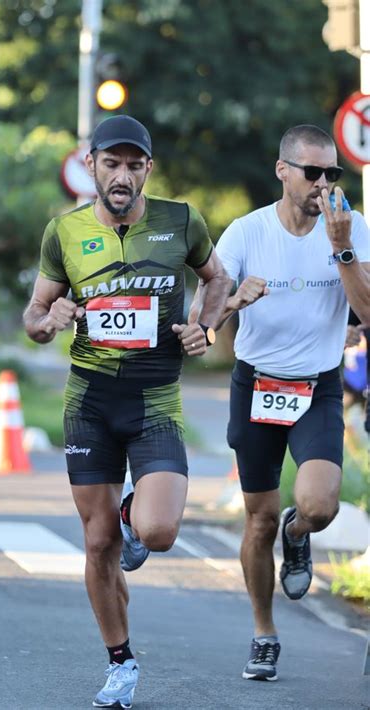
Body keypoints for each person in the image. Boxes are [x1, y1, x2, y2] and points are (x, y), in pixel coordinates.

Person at [23, 114, 230, 708]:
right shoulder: (62, 232)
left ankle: (132, 514)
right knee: (96, 546)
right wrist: (49, 322)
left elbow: (215, 279)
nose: (122, 175)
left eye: (133, 165)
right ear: (91, 166)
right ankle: (121, 664)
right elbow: (35, 314)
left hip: (155, 397)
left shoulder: (181, 220)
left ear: (148, 170)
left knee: (158, 532)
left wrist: (206, 327)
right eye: (111, 163)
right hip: (89, 399)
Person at [200, 124, 369, 682]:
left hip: (318, 385)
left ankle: (300, 537)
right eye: (312, 172)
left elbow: (368, 312)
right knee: (258, 521)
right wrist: (234, 298)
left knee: (318, 507)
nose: (323, 185)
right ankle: (263, 631)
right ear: (283, 171)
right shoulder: (246, 234)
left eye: (332, 174)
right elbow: (208, 313)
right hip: (257, 384)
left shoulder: (350, 227)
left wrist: (342, 248)